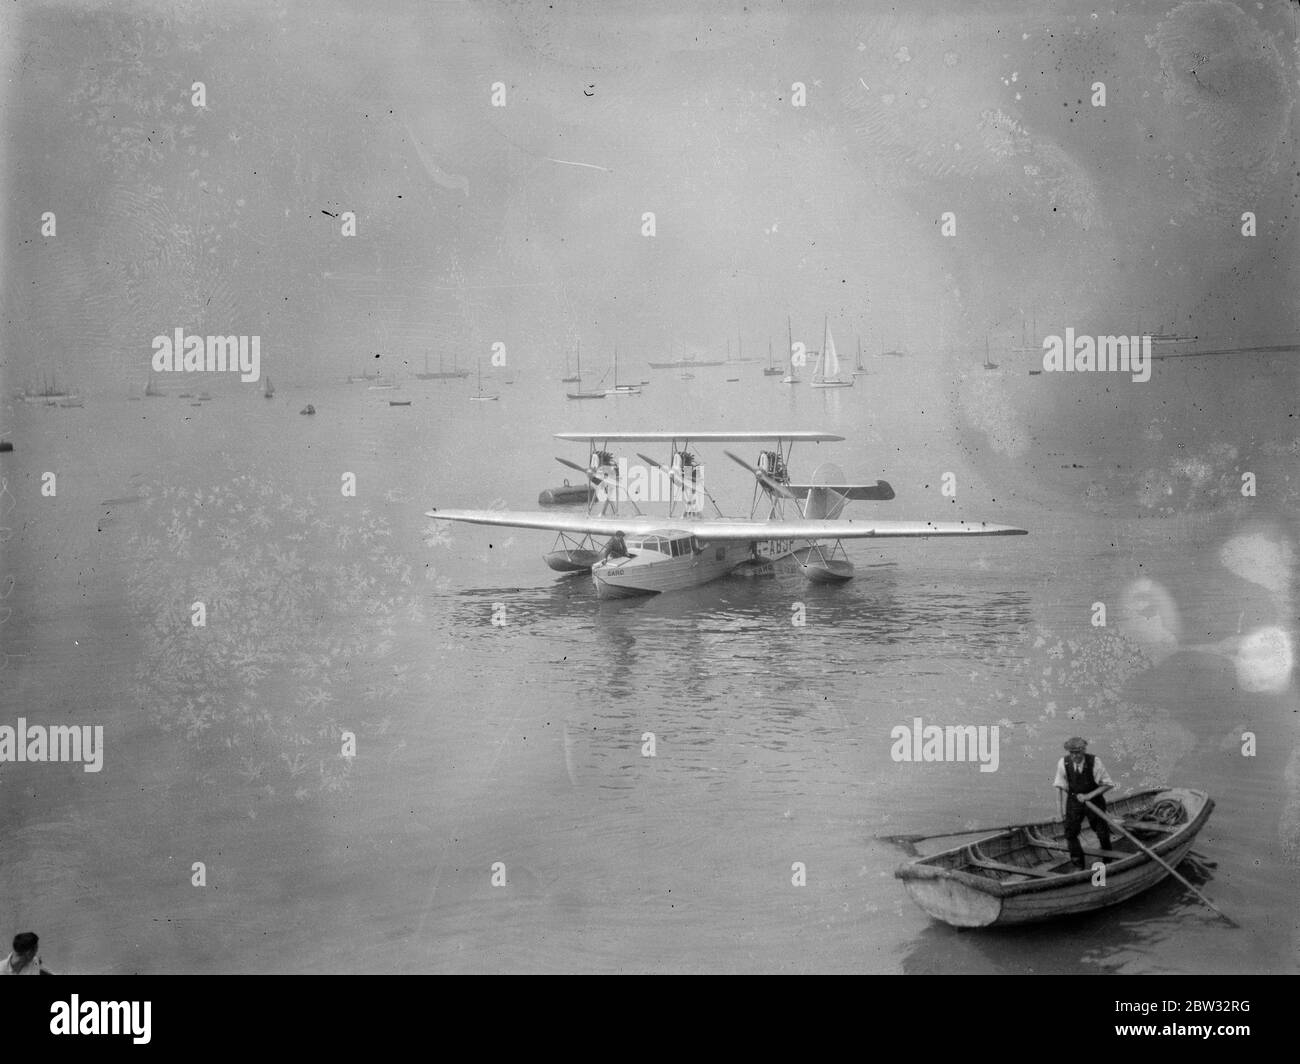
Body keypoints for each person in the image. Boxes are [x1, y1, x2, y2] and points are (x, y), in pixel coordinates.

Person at [1053, 737, 1115, 869]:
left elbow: (1108, 784)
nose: (1075, 756)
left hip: (1094, 800)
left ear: (1084, 750)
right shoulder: (1063, 763)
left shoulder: (1094, 762)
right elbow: (1059, 787)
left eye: (1078, 753)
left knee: (1102, 832)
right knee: (1070, 833)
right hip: (1074, 801)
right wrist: (1059, 813)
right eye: (1072, 753)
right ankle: (1078, 865)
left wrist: (1088, 796)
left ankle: (1108, 860)